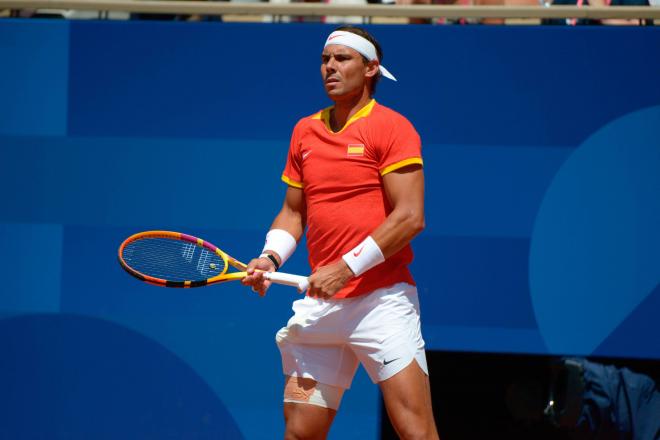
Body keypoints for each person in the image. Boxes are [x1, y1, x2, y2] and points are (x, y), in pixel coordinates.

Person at [242, 26, 440, 439]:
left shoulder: (392, 127)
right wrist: (270, 257)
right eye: (325, 59)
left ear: (371, 68)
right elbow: (293, 212)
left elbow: (410, 217)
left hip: (382, 303)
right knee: (300, 434)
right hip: (322, 306)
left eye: (342, 59)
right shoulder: (304, 131)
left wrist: (345, 269)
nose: (330, 67)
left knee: (415, 432)